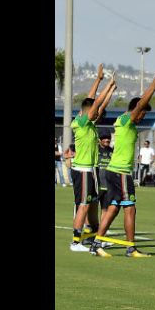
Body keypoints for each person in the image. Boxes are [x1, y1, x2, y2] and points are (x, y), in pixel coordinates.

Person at [90, 72, 155, 258]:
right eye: (141, 113)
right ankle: (131, 248)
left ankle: (96, 243)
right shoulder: (126, 119)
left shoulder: (123, 122)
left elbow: (139, 106)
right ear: (135, 110)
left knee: (114, 207)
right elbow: (139, 105)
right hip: (121, 172)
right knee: (130, 207)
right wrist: (153, 87)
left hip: (114, 171)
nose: (141, 117)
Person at [68, 71, 117, 252]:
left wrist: (108, 86)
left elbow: (96, 103)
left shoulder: (88, 123)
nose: (97, 113)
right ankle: (75, 242)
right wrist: (104, 84)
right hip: (82, 170)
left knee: (92, 204)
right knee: (83, 204)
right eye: (94, 111)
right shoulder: (81, 121)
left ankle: (95, 237)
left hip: (90, 171)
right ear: (86, 112)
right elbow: (94, 103)